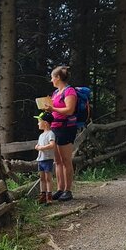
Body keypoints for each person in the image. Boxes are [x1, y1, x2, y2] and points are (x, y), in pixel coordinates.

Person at [42, 65, 78, 201]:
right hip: (55, 127)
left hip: (66, 128)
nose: (51, 80)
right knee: (57, 161)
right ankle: (60, 188)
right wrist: (48, 111)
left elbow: (69, 110)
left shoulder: (70, 91)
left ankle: (68, 190)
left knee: (66, 160)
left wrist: (53, 108)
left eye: (52, 77)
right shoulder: (56, 93)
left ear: (57, 77)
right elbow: (55, 110)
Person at [35, 116, 56, 204]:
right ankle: (42, 195)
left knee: (48, 178)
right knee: (42, 178)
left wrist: (41, 148)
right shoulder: (41, 135)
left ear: (45, 123)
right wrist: (37, 147)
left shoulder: (51, 134)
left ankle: (49, 196)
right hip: (41, 159)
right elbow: (38, 145)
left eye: (39, 122)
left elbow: (52, 145)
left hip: (47, 159)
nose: (38, 124)